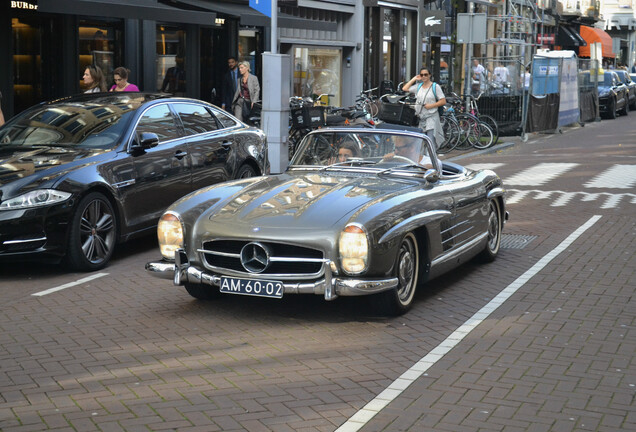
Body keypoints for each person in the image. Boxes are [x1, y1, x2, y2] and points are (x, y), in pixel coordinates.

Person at [402, 67, 446, 151]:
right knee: (420, 144)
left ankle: (431, 162)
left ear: (430, 75)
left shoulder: (435, 86)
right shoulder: (418, 86)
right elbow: (404, 88)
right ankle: (423, 162)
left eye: (425, 74)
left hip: (431, 118)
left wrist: (431, 105)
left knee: (430, 142)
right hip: (421, 118)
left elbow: (443, 101)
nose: (424, 77)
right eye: (422, 75)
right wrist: (414, 78)